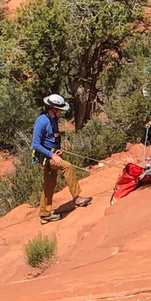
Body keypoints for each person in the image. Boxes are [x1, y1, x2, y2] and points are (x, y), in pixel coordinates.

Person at [32, 94, 91, 223]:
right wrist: (52, 155)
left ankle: (44, 214)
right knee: (67, 166)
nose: (61, 111)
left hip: (53, 154)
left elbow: (52, 138)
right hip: (47, 157)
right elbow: (35, 144)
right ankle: (77, 197)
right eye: (60, 109)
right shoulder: (42, 121)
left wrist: (56, 150)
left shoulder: (53, 119)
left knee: (49, 185)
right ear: (52, 108)